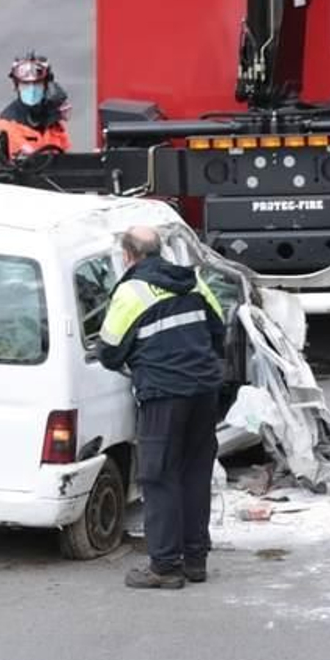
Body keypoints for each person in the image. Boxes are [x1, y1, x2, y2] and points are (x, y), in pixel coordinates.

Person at [97, 226, 227, 589]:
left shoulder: (131, 292)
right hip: (204, 391)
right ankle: (195, 560)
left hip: (164, 394)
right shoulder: (194, 282)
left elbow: (109, 351)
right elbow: (219, 329)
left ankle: (165, 566)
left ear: (129, 256)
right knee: (195, 473)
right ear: (159, 250)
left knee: (159, 476)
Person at [0, 51, 73, 181]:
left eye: (37, 84)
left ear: (47, 85)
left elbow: (67, 163)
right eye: (26, 84)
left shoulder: (53, 124)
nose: (32, 89)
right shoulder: (5, 127)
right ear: (17, 86)